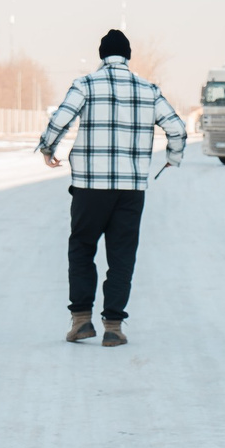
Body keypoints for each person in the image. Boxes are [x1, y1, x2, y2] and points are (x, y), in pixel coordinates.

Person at [37, 29, 186, 347]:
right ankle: (114, 327)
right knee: (122, 255)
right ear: (128, 56)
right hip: (130, 189)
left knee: (82, 249)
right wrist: (173, 157)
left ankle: (81, 321)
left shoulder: (86, 84)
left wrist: (48, 149)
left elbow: (59, 120)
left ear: (102, 55)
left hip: (90, 185)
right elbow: (177, 127)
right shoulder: (149, 90)